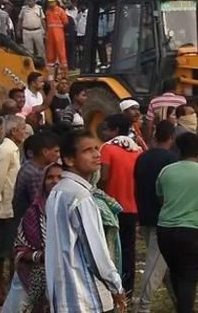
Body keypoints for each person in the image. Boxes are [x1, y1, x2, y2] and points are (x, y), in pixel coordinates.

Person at [45, 131, 125, 313]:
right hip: (84, 296)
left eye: (97, 148)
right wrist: (116, 286)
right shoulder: (80, 197)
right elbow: (95, 252)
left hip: (62, 293)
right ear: (69, 159)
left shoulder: (58, 191)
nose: (97, 154)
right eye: (88, 151)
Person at [156, 132, 198, 313]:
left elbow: (161, 199)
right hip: (191, 232)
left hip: (165, 231)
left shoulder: (166, 171)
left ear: (178, 150)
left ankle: (182, 307)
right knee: (188, 279)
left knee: (176, 272)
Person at [3, 162, 63, 313]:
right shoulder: (33, 213)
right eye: (50, 177)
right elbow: (21, 245)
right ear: (42, 182)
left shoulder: (70, 209)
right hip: (33, 272)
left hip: (64, 274)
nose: (55, 181)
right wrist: (40, 257)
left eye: (60, 177)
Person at [133, 120, 178, 313]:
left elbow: (136, 187)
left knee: (163, 264)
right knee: (155, 265)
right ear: (171, 137)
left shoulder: (142, 157)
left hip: (145, 213)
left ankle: (181, 302)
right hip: (163, 218)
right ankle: (143, 306)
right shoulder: (171, 160)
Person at [99, 113, 142, 297]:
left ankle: (111, 289)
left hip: (111, 207)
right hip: (132, 208)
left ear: (115, 130)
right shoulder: (137, 150)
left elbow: (104, 177)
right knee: (128, 249)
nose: (105, 132)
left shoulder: (107, 149)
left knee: (108, 249)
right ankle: (128, 289)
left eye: (108, 128)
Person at [0, 115, 25, 301]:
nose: (25, 131)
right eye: (22, 128)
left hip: (13, 206)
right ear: (14, 131)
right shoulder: (6, 151)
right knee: (2, 251)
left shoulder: (13, 149)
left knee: (12, 251)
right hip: (6, 207)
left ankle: (11, 287)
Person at [45, 0, 69, 72]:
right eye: (49, 2)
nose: (51, 4)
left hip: (58, 32)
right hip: (50, 33)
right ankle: (51, 68)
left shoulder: (60, 11)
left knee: (61, 50)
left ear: (56, 2)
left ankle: (64, 68)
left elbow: (65, 22)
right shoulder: (48, 12)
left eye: (52, 2)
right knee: (50, 50)